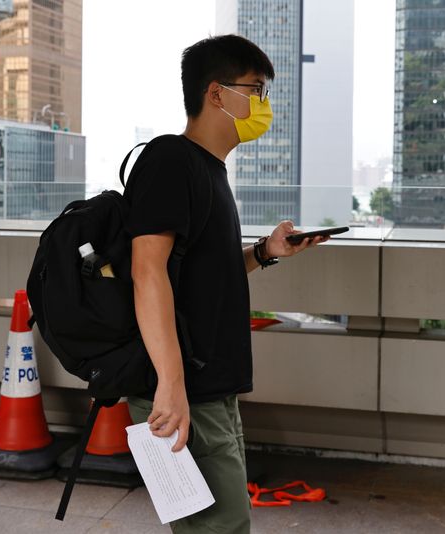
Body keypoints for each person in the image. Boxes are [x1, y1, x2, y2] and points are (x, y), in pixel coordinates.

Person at [123, 34, 328, 533]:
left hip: (212, 387)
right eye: (255, 90)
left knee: (219, 523)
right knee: (220, 527)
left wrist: (264, 253)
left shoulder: (208, 171)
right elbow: (146, 270)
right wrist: (172, 388)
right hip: (185, 387)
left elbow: (201, 277)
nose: (263, 104)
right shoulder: (171, 160)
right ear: (216, 94)